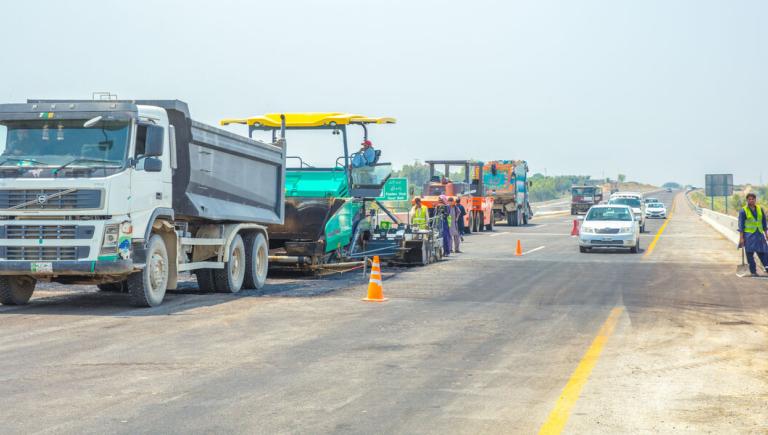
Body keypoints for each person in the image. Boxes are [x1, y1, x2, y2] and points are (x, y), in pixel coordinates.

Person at [738, 192, 768, 276]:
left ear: (755, 200)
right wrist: (741, 238)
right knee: (749, 253)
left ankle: (767, 268)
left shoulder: (760, 209)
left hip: (759, 235)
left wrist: (766, 234)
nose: (751, 200)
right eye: (749, 199)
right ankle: (753, 271)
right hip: (749, 236)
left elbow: (764, 223)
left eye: (753, 199)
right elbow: (741, 226)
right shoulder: (743, 211)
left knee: (764, 252)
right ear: (747, 200)